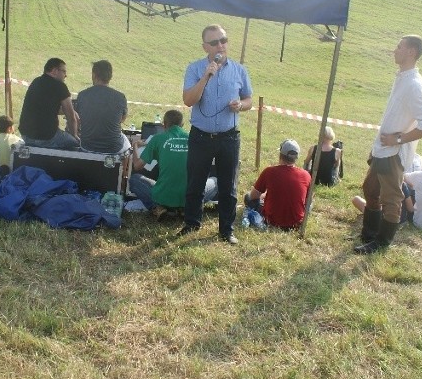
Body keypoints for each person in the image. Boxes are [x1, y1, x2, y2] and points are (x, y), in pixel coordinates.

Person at [355, 35, 422, 254]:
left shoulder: (414, 84)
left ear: (411, 52)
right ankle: (369, 234)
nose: (394, 50)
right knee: (370, 190)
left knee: (391, 200)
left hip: (394, 153)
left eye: (399, 47)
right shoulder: (403, 77)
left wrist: (397, 139)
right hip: (382, 149)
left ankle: (381, 244)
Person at [178, 24, 253, 245]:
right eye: (215, 42)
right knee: (195, 183)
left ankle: (226, 231)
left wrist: (241, 105)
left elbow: (249, 99)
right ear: (205, 47)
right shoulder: (194, 69)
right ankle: (191, 224)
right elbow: (188, 100)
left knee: (228, 186)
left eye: (224, 40)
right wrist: (206, 77)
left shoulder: (240, 70)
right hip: (201, 136)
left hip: (228, 137)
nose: (221, 45)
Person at [129, 109, 216, 217]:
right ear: (182, 124)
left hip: (163, 196)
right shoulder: (193, 139)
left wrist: (135, 146)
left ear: (163, 125)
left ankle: (158, 208)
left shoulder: (157, 139)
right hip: (190, 195)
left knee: (134, 179)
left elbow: (137, 166)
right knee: (215, 181)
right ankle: (187, 208)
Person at [245, 139, 312, 230]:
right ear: (296, 157)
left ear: (280, 154)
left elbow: (253, 196)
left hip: (272, 220)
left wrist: (264, 195)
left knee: (248, 197)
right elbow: (308, 201)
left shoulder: (269, 171)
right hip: (296, 223)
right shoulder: (306, 175)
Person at [18, 57, 79, 150]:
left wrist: (70, 111)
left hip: (26, 136)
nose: (65, 75)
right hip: (48, 137)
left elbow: (45, 108)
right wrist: (74, 135)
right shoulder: (60, 86)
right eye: (64, 71)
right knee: (75, 144)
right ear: (54, 70)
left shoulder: (36, 82)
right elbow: (71, 117)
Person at [76, 60, 130, 154]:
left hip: (87, 147)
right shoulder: (120, 97)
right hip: (114, 148)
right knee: (129, 145)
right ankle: (126, 168)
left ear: (94, 75)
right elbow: (122, 119)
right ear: (110, 76)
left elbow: (78, 117)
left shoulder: (82, 95)